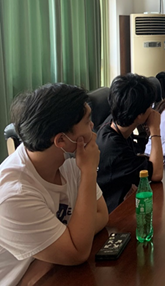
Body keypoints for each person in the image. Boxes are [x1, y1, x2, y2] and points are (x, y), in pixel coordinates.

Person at [0, 84, 108, 286]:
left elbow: (102, 214)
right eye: (87, 122)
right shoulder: (14, 194)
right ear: (61, 140)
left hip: (53, 272)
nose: (93, 127)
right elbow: (77, 252)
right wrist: (88, 172)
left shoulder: (71, 159)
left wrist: (70, 239)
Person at [96, 74, 163, 213]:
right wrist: (155, 129)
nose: (152, 110)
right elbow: (156, 174)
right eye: (150, 106)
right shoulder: (114, 148)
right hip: (114, 214)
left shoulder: (114, 122)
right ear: (139, 115)